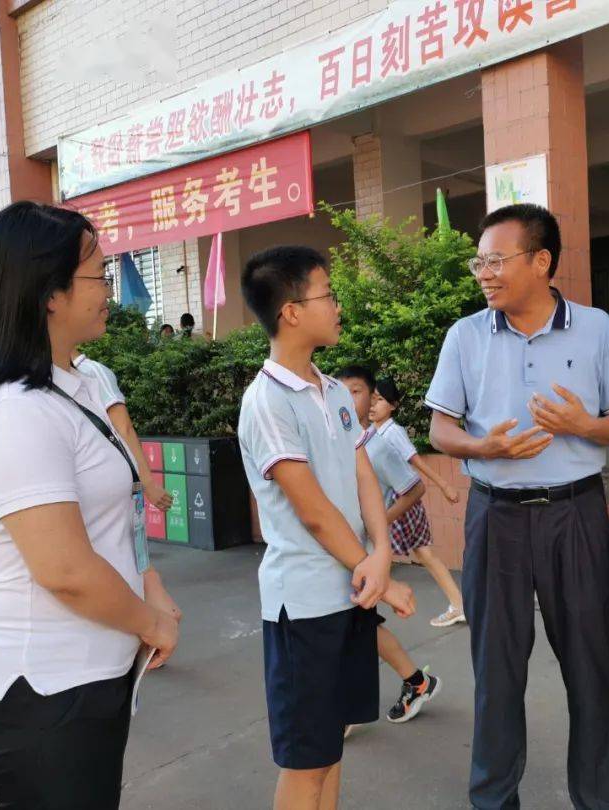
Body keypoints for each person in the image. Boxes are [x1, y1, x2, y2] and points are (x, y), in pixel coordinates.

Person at [0, 201, 179, 809]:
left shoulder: (69, 387)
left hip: (80, 679)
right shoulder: (15, 412)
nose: (108, 291)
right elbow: (65, 570)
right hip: (41, 690)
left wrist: (147, 582)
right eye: (98, 277)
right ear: (49, 293)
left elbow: (108, 517)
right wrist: (150, 624)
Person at [427, 203, 609, 810]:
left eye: (496, 259)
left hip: (576, 515)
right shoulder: (465, 335)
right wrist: (482, 445)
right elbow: (442, 431)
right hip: (495, 516)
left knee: (590, 669)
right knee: (496, 673)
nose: (484, 273)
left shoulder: (596, 328)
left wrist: (585, 425)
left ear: (542, 261)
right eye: (480, 261)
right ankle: (494, 801)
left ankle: (601, 800)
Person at [237, 246, 416, 810]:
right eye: (328, 294)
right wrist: (379, 574)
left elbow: (364, 474)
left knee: (331, 750)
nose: (338, 305)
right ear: (291, 311)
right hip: (305, 605)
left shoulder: (335, 390)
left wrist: (381, 552)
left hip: (349, 595)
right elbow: (311, 509)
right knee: (305, 760)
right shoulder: (265, 401)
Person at [336, 366, 442, 725]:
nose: (348, 398)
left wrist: (378, 523)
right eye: (342, 390)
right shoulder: (336, 437)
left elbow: (415, 489)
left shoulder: (376, 446)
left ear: (373, 400)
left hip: (361, 557)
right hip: (340, 554)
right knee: (358, 629)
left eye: (357, 391)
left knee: (353, 628)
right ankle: (416, 682)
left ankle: (351, 709)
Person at [368, 375, 466, 627]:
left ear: (393, 405)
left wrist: (444, 485)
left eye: (379, 400)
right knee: (422, 554)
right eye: (371, 399)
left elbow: (415, 460)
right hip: (397, 501)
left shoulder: (392, 432)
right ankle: (459, 604)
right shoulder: (372, 432)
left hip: (402, 503)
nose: (372, 405)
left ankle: (362, 612)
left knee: (379, 553)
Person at [72, 350, 175, 512]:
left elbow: (123, 427)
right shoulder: (52, 376)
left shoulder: (92, 371)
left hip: (109, 485)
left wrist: (148, 484)